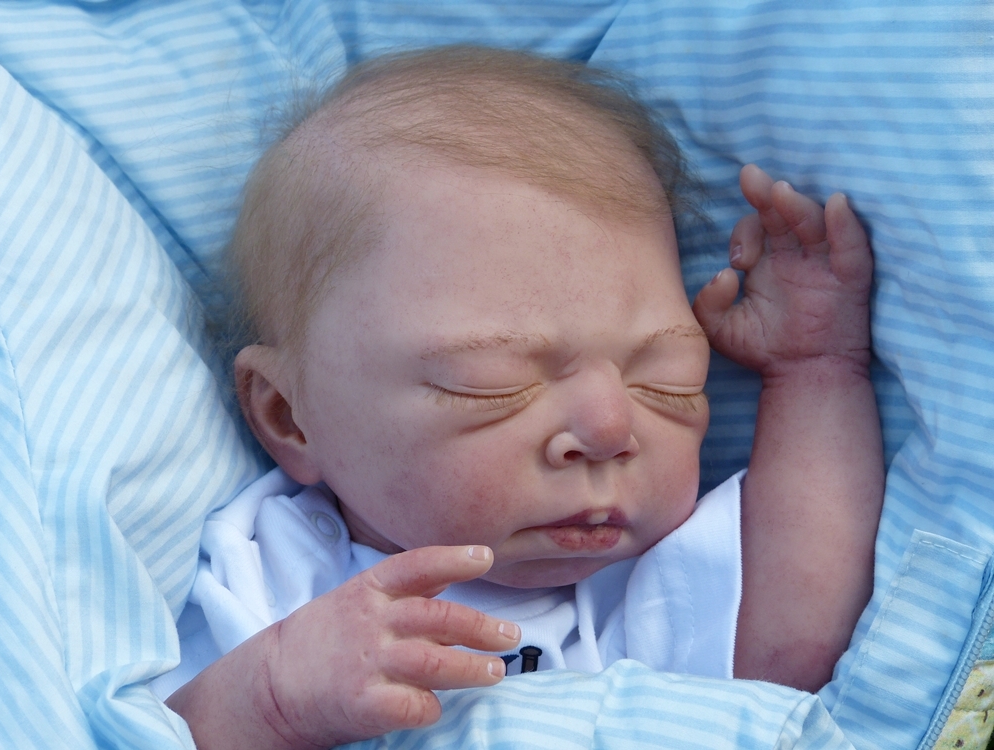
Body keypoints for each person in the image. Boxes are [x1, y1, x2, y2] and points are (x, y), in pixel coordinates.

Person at [163, 46, 884, 749]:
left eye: (668, 378)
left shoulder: (636, 586)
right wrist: (271, 703)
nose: (609, 427)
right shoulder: (264, 576)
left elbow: (791, 655)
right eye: (494, 381)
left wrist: (816, 372)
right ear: (291, 416)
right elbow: (133, 730)